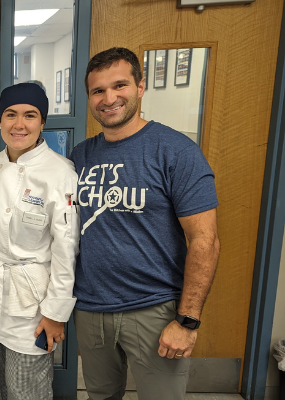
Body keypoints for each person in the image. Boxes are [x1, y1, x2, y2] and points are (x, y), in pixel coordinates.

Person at [70, 47, 220, 400]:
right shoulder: (80, 156)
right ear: (89, 98)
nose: (109, 98)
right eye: (98, 91)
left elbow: (205, 241)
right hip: (91, 308)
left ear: (140, 86)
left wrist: (186, 321)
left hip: (154, 310)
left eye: (119, 85)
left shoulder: (176, 151)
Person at [0, 83, 79, 400]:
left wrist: (55, 313)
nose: (18, 124)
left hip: (33, 304)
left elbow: (67, 251)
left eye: (30, 115)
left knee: (27, 389)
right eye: (10, 114)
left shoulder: (60, 173)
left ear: (42, 123)